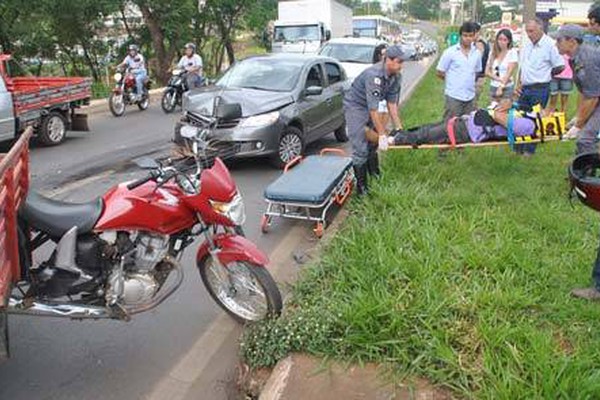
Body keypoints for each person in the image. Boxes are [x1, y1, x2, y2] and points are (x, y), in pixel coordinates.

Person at [344, 45, 409, 195]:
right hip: (356, 106)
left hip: (370, 106)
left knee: (372, 144)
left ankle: (375, 175)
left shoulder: (396, 76)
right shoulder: (374, 75)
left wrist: (399, 128)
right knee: (361, 144)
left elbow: (391, 104)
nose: (401, 66)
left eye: (402, 62)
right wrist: (382, 135)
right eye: (399, 62)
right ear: (388, 60)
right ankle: (362, 189)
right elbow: (373, 110)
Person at [514, 19, 565, 155]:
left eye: (531, 31)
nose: (529, 34)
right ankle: (518, 148)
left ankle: (529, 151)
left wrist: (546, 75)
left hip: (540, 88)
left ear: (540, 29)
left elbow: (560, 65)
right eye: (527, 31)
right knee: (520, 117)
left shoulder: (550, 45)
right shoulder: (526, 44)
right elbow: (522, 66)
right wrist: (518, 83)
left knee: (534, 119)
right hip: (525, 87)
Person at [388, 99, 536, 146]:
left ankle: (394, 140)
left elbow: (498, 117)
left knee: (427, 135)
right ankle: (399, 134)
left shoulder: (529, 125)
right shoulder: (526, 115)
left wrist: (506, 106)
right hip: (464, 123)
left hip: (465, 131)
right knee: (426, 128)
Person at [553, 25, 600, 159]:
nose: (556, 44)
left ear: (572, 42)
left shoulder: (587, 59)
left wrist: (578, 125)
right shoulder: (575, 57)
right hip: (595, 96)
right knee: (584, 140)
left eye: (559, 40)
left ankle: (587, 177)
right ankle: (580, 173)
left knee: (585, 139)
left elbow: (592, 97)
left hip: (596, 98)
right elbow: (585, 92)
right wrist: (578, 117)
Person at [437, 21, 482, 121]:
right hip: (454, 96)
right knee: (449, 126)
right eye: (465, 35)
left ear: (474, 36)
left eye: (470, 36)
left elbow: (477, 71)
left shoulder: (477, 53)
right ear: (460, 35)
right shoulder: (450, 52)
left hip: (470, 97)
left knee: (468, 127)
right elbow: (440, 72)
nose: (468, 38)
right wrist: (452, 81)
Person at [486, 29, 518, 104]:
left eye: (505, 40)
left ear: (509, 41)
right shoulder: (492, 53)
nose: (502, 42)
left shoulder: (512, 52)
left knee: (503, 110)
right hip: (494, 85)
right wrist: (499, 79)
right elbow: (487, 72)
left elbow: (509, 72)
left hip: (507, 87)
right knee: (493, 110)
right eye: (500, 39)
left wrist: (501, 86)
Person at [474, 23, 491, 103]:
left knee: (472, 102)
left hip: (477, 77)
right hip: (481, 76)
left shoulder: (479, 44)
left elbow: (476, 61)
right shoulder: (484, 41)